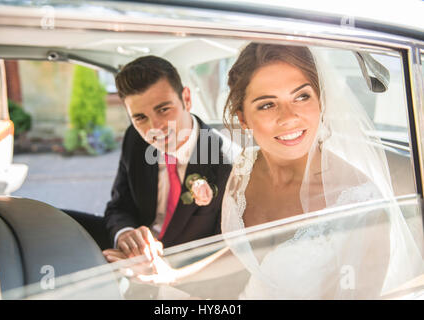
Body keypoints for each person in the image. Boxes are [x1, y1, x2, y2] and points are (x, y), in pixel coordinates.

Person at [123, 43, 423, 299]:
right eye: (267, 105)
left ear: (321, 102)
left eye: (302, 96)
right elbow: (244, 250)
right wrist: (172, 275)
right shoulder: (243, 169)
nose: (289, 118)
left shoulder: (362, 207)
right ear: (243, 117)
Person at [102, 55, 234, 263]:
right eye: (140, 118)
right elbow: (119, 206)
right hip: (131, 260)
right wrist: (125, 234)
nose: (154, 128)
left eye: (163, 109)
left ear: (187, 99)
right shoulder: (134, 140)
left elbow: (225, 251)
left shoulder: (227, 161)